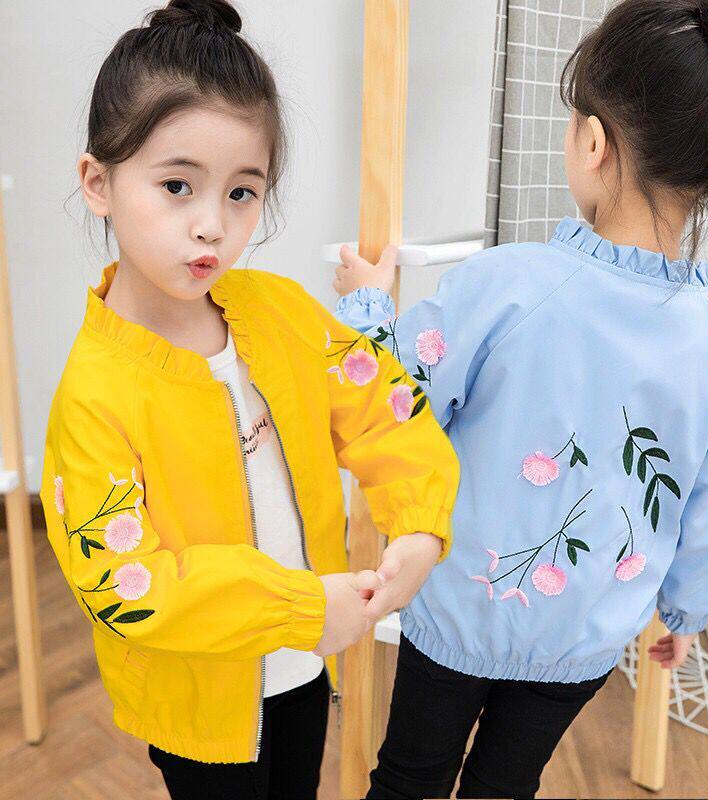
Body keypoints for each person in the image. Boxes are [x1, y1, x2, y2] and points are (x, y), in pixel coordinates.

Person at [333, 1, 708, 796]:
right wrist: (686, 612)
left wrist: (368, 305)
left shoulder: (504, 285)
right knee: (509, 786)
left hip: (459, 611)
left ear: (592, 142)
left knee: (408, 778)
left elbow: (392, 400)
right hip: (586, 639)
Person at [39, 1, 459, 798]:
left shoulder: (278, 312)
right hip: (199, 703)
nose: (212, 225)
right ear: (98, 182)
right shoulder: (93, 396)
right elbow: (127, 584)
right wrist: (300, 606)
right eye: (177, 185)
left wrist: (419, 524)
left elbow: (386, 408)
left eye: (242, 192)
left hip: (305, 666)